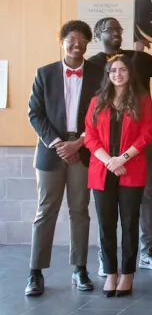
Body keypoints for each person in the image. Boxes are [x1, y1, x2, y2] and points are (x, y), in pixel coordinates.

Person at [87, 17, 152, 273]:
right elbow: (88, 113)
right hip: (103, 149)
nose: (117, 33)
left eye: (120, 29)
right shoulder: (91, 65)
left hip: (138, 144)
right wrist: (108, 158)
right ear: (99, 34)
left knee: (145, 195)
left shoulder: (138, 59)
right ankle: (105, 257)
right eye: (110, 29)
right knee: (105, 206)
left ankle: (146, 250)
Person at [25, 20, 103, 297]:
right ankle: (35, 273)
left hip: (83, 149)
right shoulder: (44, 73)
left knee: (80, 210)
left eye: (82, 40)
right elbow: (35, 114)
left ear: (87, 44)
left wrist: (80, 141)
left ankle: (80, 268)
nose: (77, 44)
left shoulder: (98, 73)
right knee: (45, 210)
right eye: (71, 39)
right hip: (51, 151)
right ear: (62, 42)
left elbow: (101, 114)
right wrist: (59, 144)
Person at [84, 55, 152, 296]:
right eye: (112, 70)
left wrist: (121, 159)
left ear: (130, 73)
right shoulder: (97, 101)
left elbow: (146, 134)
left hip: (130, 166)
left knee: (129, 222)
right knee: (106, 224)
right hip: (103, 168)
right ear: (107, 74)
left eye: (122, 69)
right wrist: (109, 161)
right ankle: (110, 273)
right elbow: (90, 137)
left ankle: (127, 274)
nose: (117, 74)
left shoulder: (142, 100)